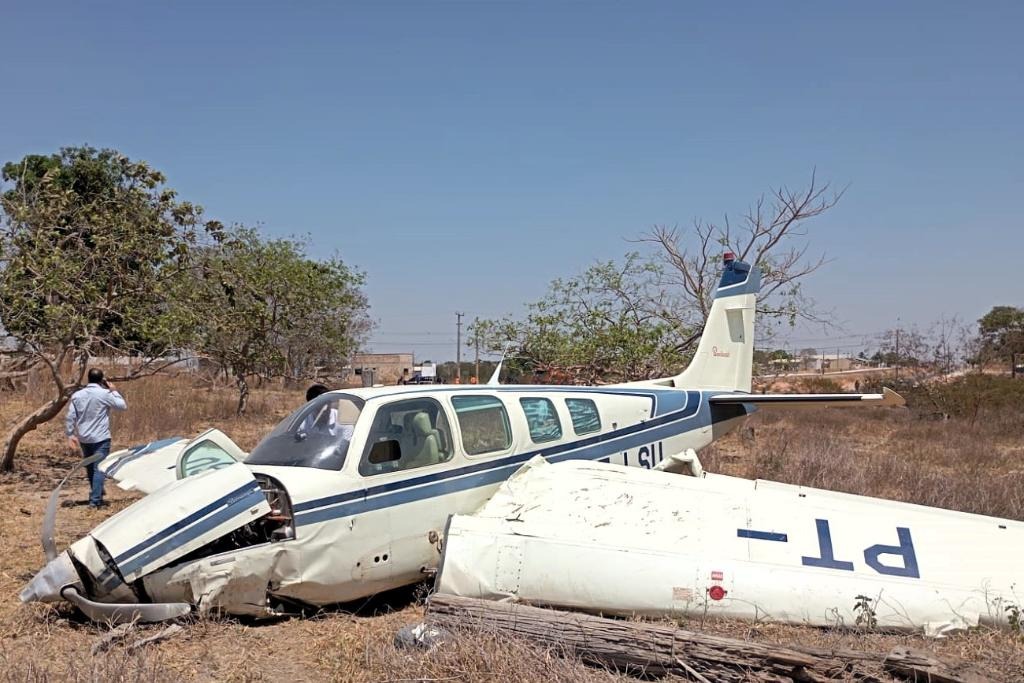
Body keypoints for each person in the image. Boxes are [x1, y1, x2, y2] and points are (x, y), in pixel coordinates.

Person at [66, 368, 127, 508]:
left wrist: (70, 434)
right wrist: (114, 391)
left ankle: (97, 492)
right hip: (100, 437)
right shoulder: (105, 394)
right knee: (99, 469)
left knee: (89, 467)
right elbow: (122, 406)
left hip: (84, 437)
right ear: (102, 380)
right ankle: (95, 501)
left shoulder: (77, 395)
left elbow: (70, 416)